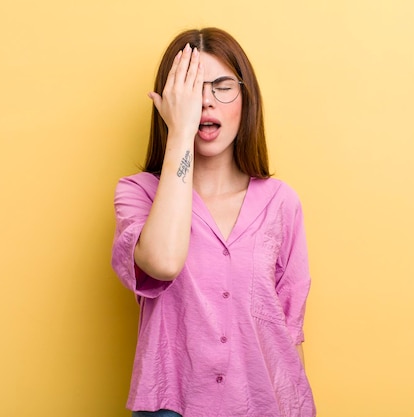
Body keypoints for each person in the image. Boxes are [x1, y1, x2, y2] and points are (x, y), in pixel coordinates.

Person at [111, 27, 315, 417]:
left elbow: (289, 330)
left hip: (262, 406)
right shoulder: (137, 194)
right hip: (170, 406)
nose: (206, 101)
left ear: (246, 99)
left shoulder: (281, 202)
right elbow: (163, 262)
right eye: (191, 89)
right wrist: (181, 132)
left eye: (222, 87)